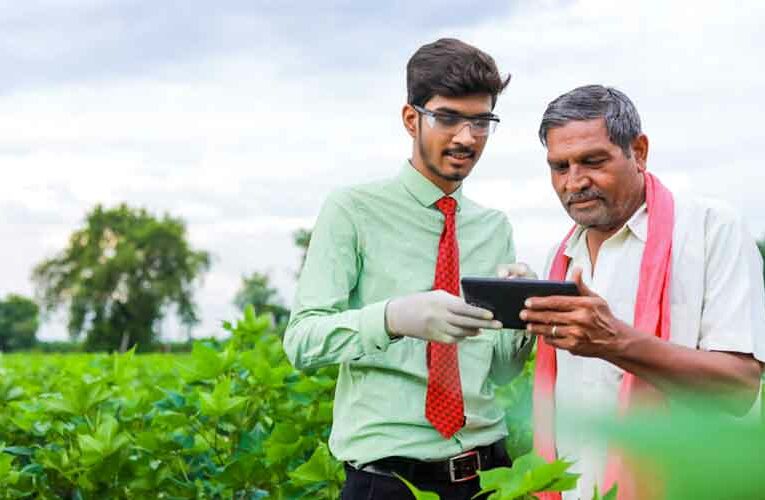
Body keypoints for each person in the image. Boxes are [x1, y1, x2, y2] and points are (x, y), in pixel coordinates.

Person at [283, 38, 533, 499]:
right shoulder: (353, 210)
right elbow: (302, 341)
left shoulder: (493, 228)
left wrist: (522, 319)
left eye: (481, 121)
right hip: (388, 481)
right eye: (448, 118)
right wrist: (393, 317)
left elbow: (497, 372)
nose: (466, 137)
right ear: (411, 119)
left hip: (487, 474)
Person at [521, 85, 765, 500]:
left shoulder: (710, 229)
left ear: (639, 151)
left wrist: (616, 341)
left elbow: (738, 388)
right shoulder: (561, 256)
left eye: (592, 161)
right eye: (559, 167)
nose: (574, 182)